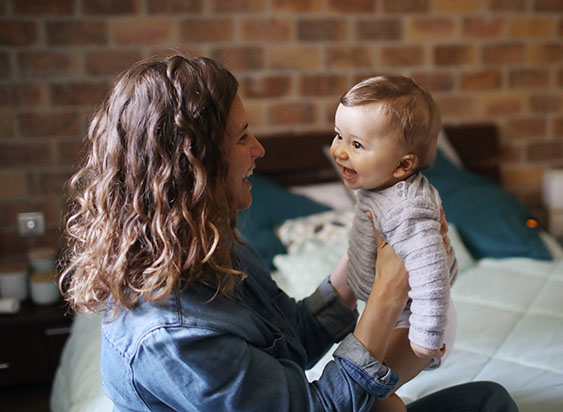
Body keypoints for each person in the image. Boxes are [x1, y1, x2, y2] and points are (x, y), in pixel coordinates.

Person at [59, 54, 518, 411]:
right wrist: (387, 292)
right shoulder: (172, 336)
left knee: (485, 400)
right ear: (193, 169)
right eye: (241, 138)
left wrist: (361, 262)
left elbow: (292, 339)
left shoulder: (214, 248)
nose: (259, 149)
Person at [330, 76, 458, 411]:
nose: (339, 150)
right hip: (394, 312)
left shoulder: (409, 207)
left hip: (418, 317)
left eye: (357, 145)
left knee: (371, 392)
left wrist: (425, 337)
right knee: (361, 389)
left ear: (403, 165)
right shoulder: (378, 186)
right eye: (338, 135)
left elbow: (432, 272)